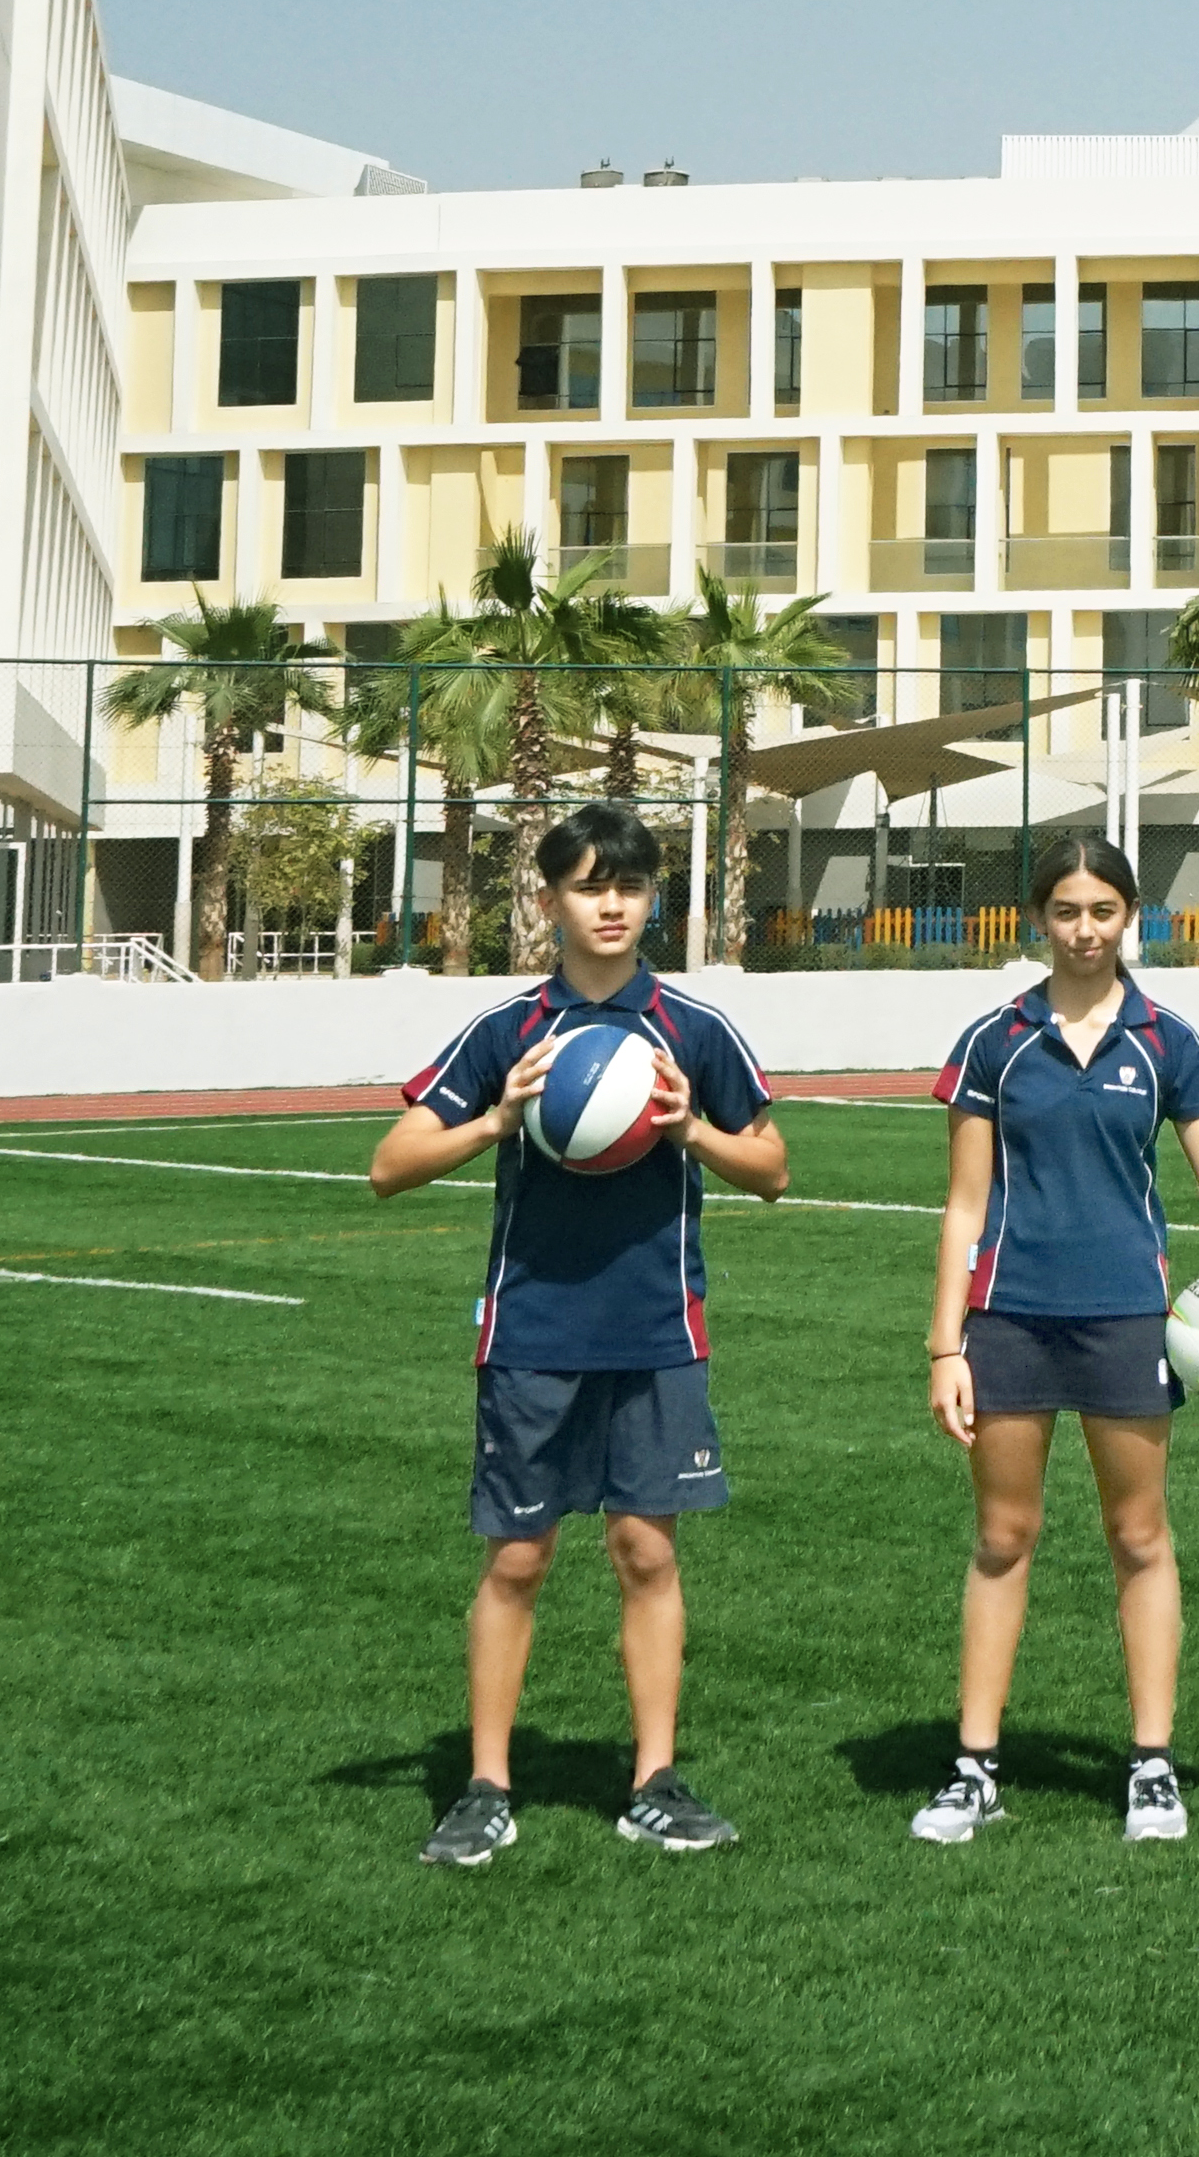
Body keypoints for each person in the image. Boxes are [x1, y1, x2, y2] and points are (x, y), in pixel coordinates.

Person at [370, 798, 792, 1869]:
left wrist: (690, 1126)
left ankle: (654, 1778)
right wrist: (496, 1122)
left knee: (647, 1548)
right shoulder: (510, 1031)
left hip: (657, 1329)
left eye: (631, 885)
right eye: (590, 885)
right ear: (549, 899)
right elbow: (389, 1164)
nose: (612, 904)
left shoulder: (690, 1029)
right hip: (534, 1329)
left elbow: (774, 1167)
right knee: (519, 1555)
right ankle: (485, 1785)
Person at [910, 838, 1199, 1848]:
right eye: (1066, 910)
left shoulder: (1164, 1040)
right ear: (1036, 920)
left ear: (1129, 915)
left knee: (1139, 1537)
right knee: (1004, 1538)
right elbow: (965, 1207)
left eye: (1102, 909)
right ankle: (974, 1769)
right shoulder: (993, 1041)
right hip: (1009, 1316)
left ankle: (1149, 1766)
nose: (1085, 928)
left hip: (1129, 1320)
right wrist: (945, 1342)